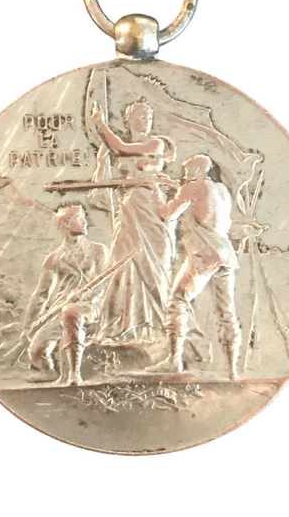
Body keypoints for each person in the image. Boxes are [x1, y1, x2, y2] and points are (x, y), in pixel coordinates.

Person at [148, 154, 242, 379]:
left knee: (177, 301)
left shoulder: (191, 187)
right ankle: (232, 370)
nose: (184, 172)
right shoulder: (221, 189)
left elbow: (166, 214)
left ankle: (174, 360)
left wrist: (155, 189)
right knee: (227, 312)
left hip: (204, 254)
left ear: (200, 168)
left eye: (188, 167)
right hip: (225, 254)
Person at [90, 101, 177, 343]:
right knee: (123, 261)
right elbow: (112, 159)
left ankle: (163, 327)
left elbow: (122, 148)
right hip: (129, 205)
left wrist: (100, 124)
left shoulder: (155, 143)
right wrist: (102, 159)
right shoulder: (121, 146)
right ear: (128, 121)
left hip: (151, 206)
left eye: (148, 117)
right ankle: (118, 326)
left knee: (153, 264)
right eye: (139, 117)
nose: (145, 121)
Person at [18, 204, 108, 385]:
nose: (86, 222)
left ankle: (74, 373)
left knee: (71, 313)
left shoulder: (98, 250)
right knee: (36, 350)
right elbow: (41, 294)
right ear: (66, 224)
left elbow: (105, 283)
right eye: (80, 218)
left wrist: (84, 296)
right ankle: (48, 372)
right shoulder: (54, 258)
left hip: (91, 305)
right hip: (59, 308)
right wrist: (28, 326)